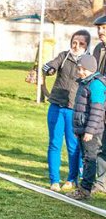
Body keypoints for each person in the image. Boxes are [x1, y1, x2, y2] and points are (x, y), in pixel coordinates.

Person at [42, 30, 89, 191]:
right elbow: (51, 65)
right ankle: (54, 180)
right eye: (74, 42)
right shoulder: (64, 56)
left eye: (81, 43)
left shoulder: (87, 62)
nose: (76, 46)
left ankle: (72, 179)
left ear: (86, 45)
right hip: (56, 105)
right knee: (54, 143)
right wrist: (48, 69)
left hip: (74, 109)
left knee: (73, 146)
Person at [67, 54, 105, 200]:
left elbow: (97, 111)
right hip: (83, 129)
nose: (80, 72)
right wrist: (79, 129)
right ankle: (84, 187)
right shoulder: (84, 83)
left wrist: (89, 131)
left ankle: (85, 190)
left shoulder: (95, 84)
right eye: (79, 68)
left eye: (83, 69)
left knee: (89, 159)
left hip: (92, 131)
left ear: (91, 69)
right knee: (85, 158)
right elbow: (80, 109)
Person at [90, 15, 106, 194]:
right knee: (102, 145)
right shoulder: (98, 49)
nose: (100, 31)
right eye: (99, 28)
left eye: (104, 28)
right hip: (100, 105)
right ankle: (102, 182)